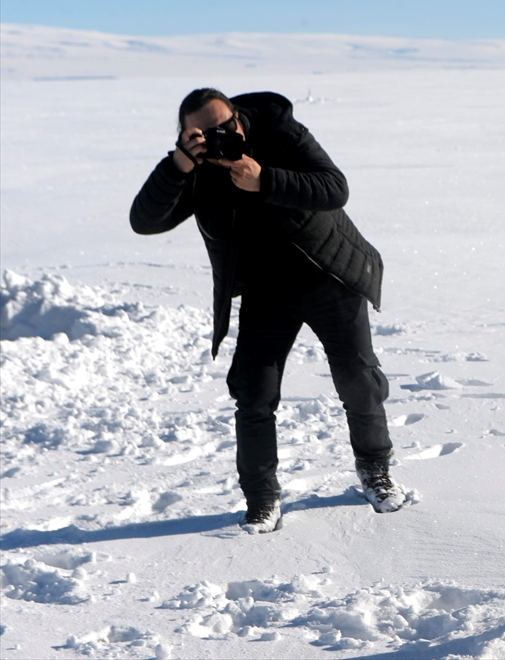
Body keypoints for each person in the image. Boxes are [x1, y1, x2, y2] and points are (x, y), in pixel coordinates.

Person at [131, 88, 402, 533]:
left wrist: (266, 180)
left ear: (238, 116)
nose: (220, 137)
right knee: (253, 391)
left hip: (328, 274)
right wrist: (177, 165)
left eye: (226, 126)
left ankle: (375, 470)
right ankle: (261, 498)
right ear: (187, 138)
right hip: (267, 290)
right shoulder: (195, 170)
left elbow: (335, 188)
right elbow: (144, 221)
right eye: (204, 135)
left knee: (358, 378)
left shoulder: (279, 130)